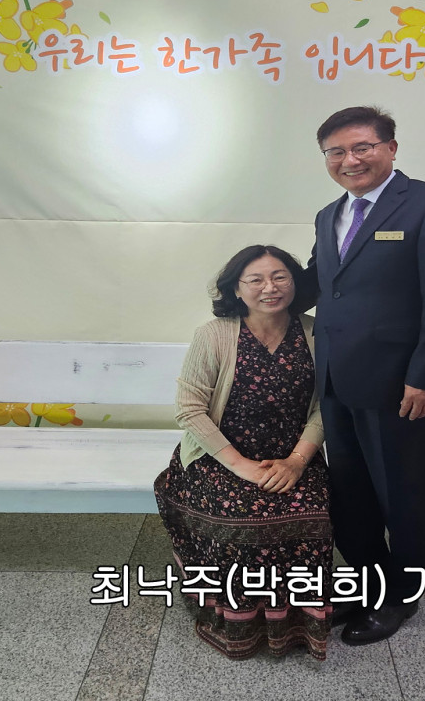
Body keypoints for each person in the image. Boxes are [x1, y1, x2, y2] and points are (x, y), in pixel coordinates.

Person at [308, 105, 425, 646]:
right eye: (336, 152)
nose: (349, 160)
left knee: (404, 494)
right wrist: (248, 284)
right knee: (350, 494)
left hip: (402, 387)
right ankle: (366, 585)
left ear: (391, 148)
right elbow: (321, 283)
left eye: (362, 147)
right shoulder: (328, 214)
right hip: (337, 381)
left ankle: (401, 597)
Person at [154, 245, 333, 660]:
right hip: (220, 455)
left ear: (295, 282)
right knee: (243, 516)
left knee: (312, 511)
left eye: (280, 277)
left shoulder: (316, 333)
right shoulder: (214, 335)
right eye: (256, 279)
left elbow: (328, 404)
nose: (270, 287)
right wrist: (242, 466)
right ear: (236, 288)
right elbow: (189, 409)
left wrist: (297, 461)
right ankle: (239, 623)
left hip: (292, 455)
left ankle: (296, 623)